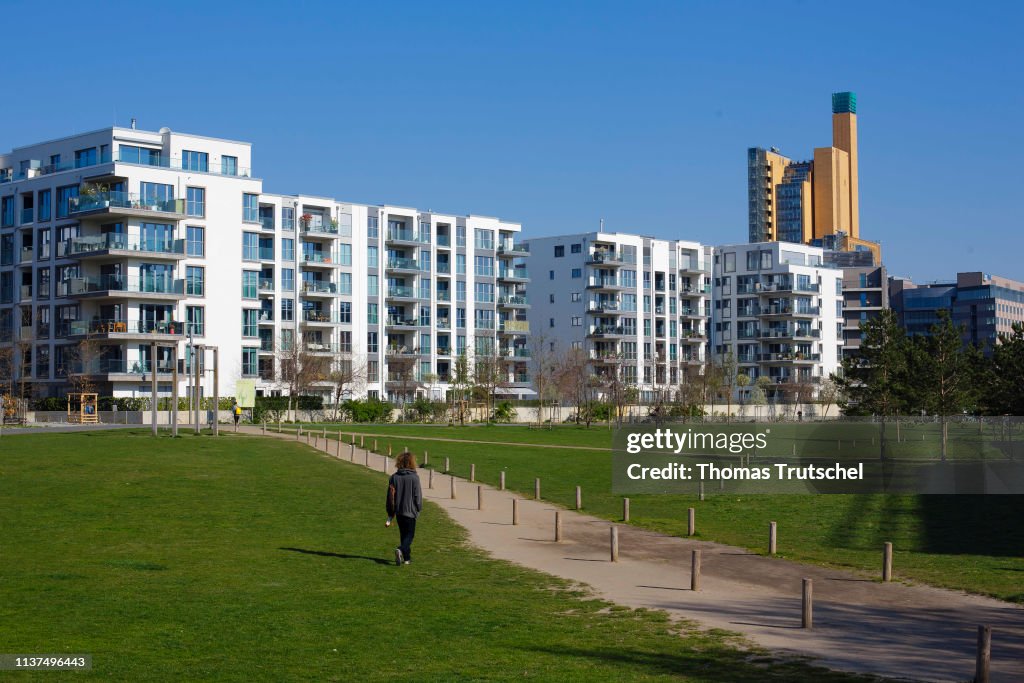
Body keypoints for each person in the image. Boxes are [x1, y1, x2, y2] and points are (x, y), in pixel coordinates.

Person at [386, 451, 423, 566]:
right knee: (410, 535)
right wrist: (418, 508)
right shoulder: (414, 478)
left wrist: (390, 513)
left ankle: (407, 559)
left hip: (399, 511)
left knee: (403, 535)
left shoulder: (394, 477)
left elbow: (390, 496)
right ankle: (400, 550)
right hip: (410, 511)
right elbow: (418, 496)